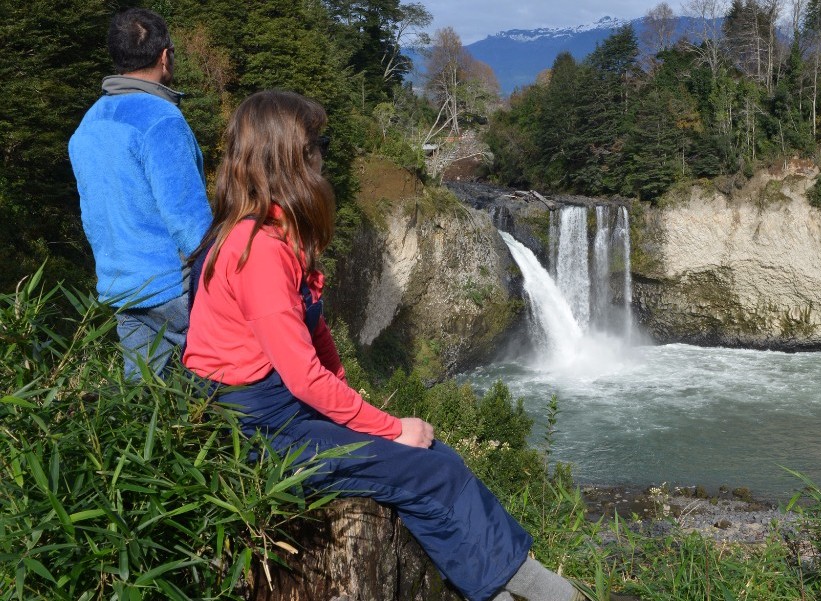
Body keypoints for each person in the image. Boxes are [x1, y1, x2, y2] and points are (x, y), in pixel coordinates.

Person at [182, 90, 583, 601]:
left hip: (277, 411)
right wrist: (391, 427)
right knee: (430, 470)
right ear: (292, 158)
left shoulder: (271, 233)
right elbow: (304, 375)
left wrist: (355, 409)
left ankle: (505, 583)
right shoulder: (258, 250)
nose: (325, 155)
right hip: (255, 434)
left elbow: (315, 334)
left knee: (439, 458)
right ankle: (531, 591)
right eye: (319, 143)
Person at [69, 8, 212, 379]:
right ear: (165, 56)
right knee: (226, 395)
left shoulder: (89, 123)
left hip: (122, 285)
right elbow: (188, 218)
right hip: (174, 287)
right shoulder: (161, 120)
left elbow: (93, 213)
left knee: (147, 404)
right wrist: (224, 275)